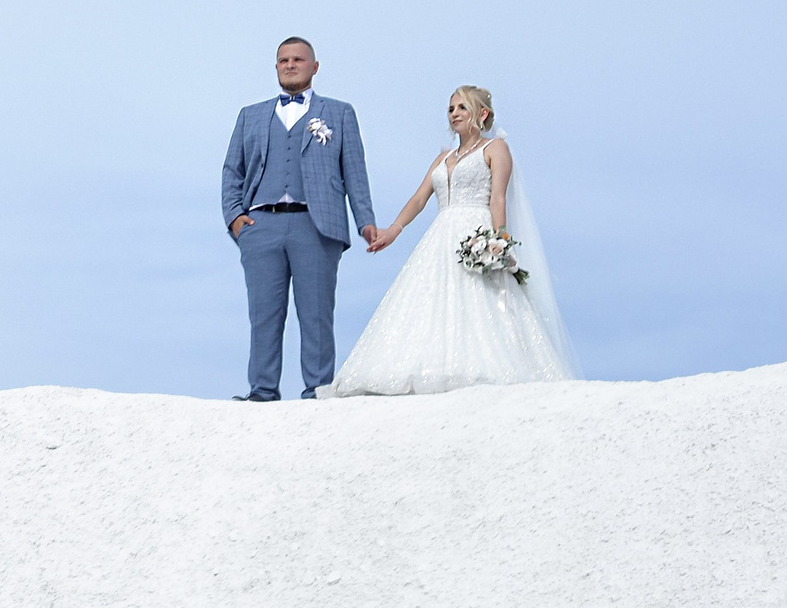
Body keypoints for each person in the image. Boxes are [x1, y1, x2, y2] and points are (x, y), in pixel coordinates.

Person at [328, 85, 577, 395]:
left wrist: (499, 242)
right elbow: (420, 198)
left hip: (476, 230)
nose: (455, 113)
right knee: (430, 299)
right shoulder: (443, 157)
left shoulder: (495, 148)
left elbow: (497, 198)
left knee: (479, 300)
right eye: (451, 108)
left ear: (482, 113)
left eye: (462, 107)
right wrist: (392, 231)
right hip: (441, 233)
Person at [218, 37, 381, 401]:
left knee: (316, 315)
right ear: (276, 67)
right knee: (264, 315)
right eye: (283, 60)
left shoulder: (339, 113)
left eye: (298, 59)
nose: (290, 65)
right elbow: (233, 170)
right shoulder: (251, 115)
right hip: (262, 225)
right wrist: (235, 219)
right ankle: (261, 391)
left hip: (316, 225)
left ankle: (318, 391)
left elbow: (355, 171)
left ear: (314, 66)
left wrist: (364, 221)